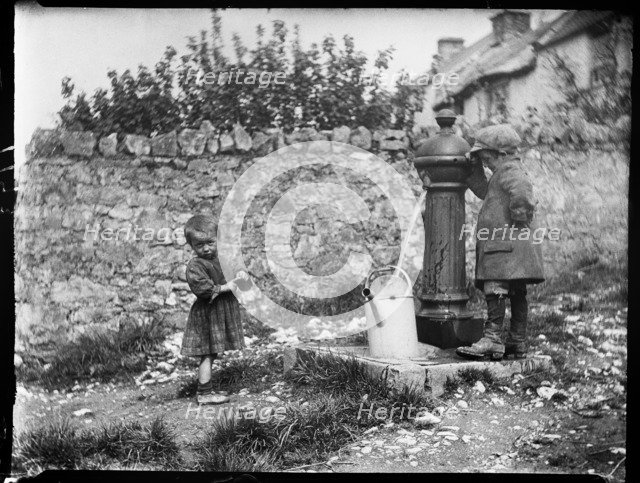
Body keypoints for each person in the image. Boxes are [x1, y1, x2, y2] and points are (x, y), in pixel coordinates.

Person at [456, 124, 545, 360]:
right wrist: (474, 167)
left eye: (487, 159)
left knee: (494, 288)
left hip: (506, 244)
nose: (486, 164)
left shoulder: (510, 171)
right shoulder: (501, 173)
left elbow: (523, 191)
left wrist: (519, 216)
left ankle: (492, 338)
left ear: (503, 155)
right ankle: (517, 341)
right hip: (510, 245)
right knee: (516, 292)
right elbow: (484, 190)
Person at [181, 214, 249, 404]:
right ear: (192, 246)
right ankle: (204, 392)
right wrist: (227, 287)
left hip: (221, 311)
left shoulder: (223, 259)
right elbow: (202, 288)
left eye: (210, 242)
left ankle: (207, 387)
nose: (206, 248)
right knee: (208, 352)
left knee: (213, 352)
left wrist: (241, 273)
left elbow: (237, 273)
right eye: (199, 245)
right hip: (208, 314)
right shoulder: (195, 265)